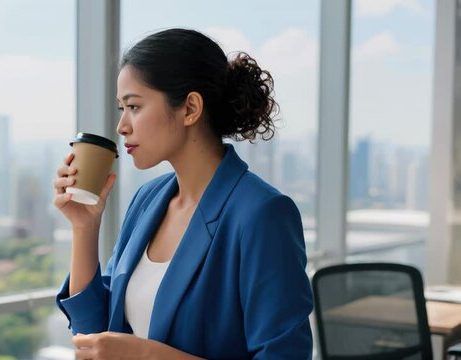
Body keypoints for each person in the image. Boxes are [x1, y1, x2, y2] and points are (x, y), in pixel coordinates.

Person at [53, 28, 313, 359]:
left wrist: (148, 355)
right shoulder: (148, 200)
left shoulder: (262, 214)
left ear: (190, 108)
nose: (122, 126)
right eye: (121, 108)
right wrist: (84, 227)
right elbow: (96, 335)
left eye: (134, 106)